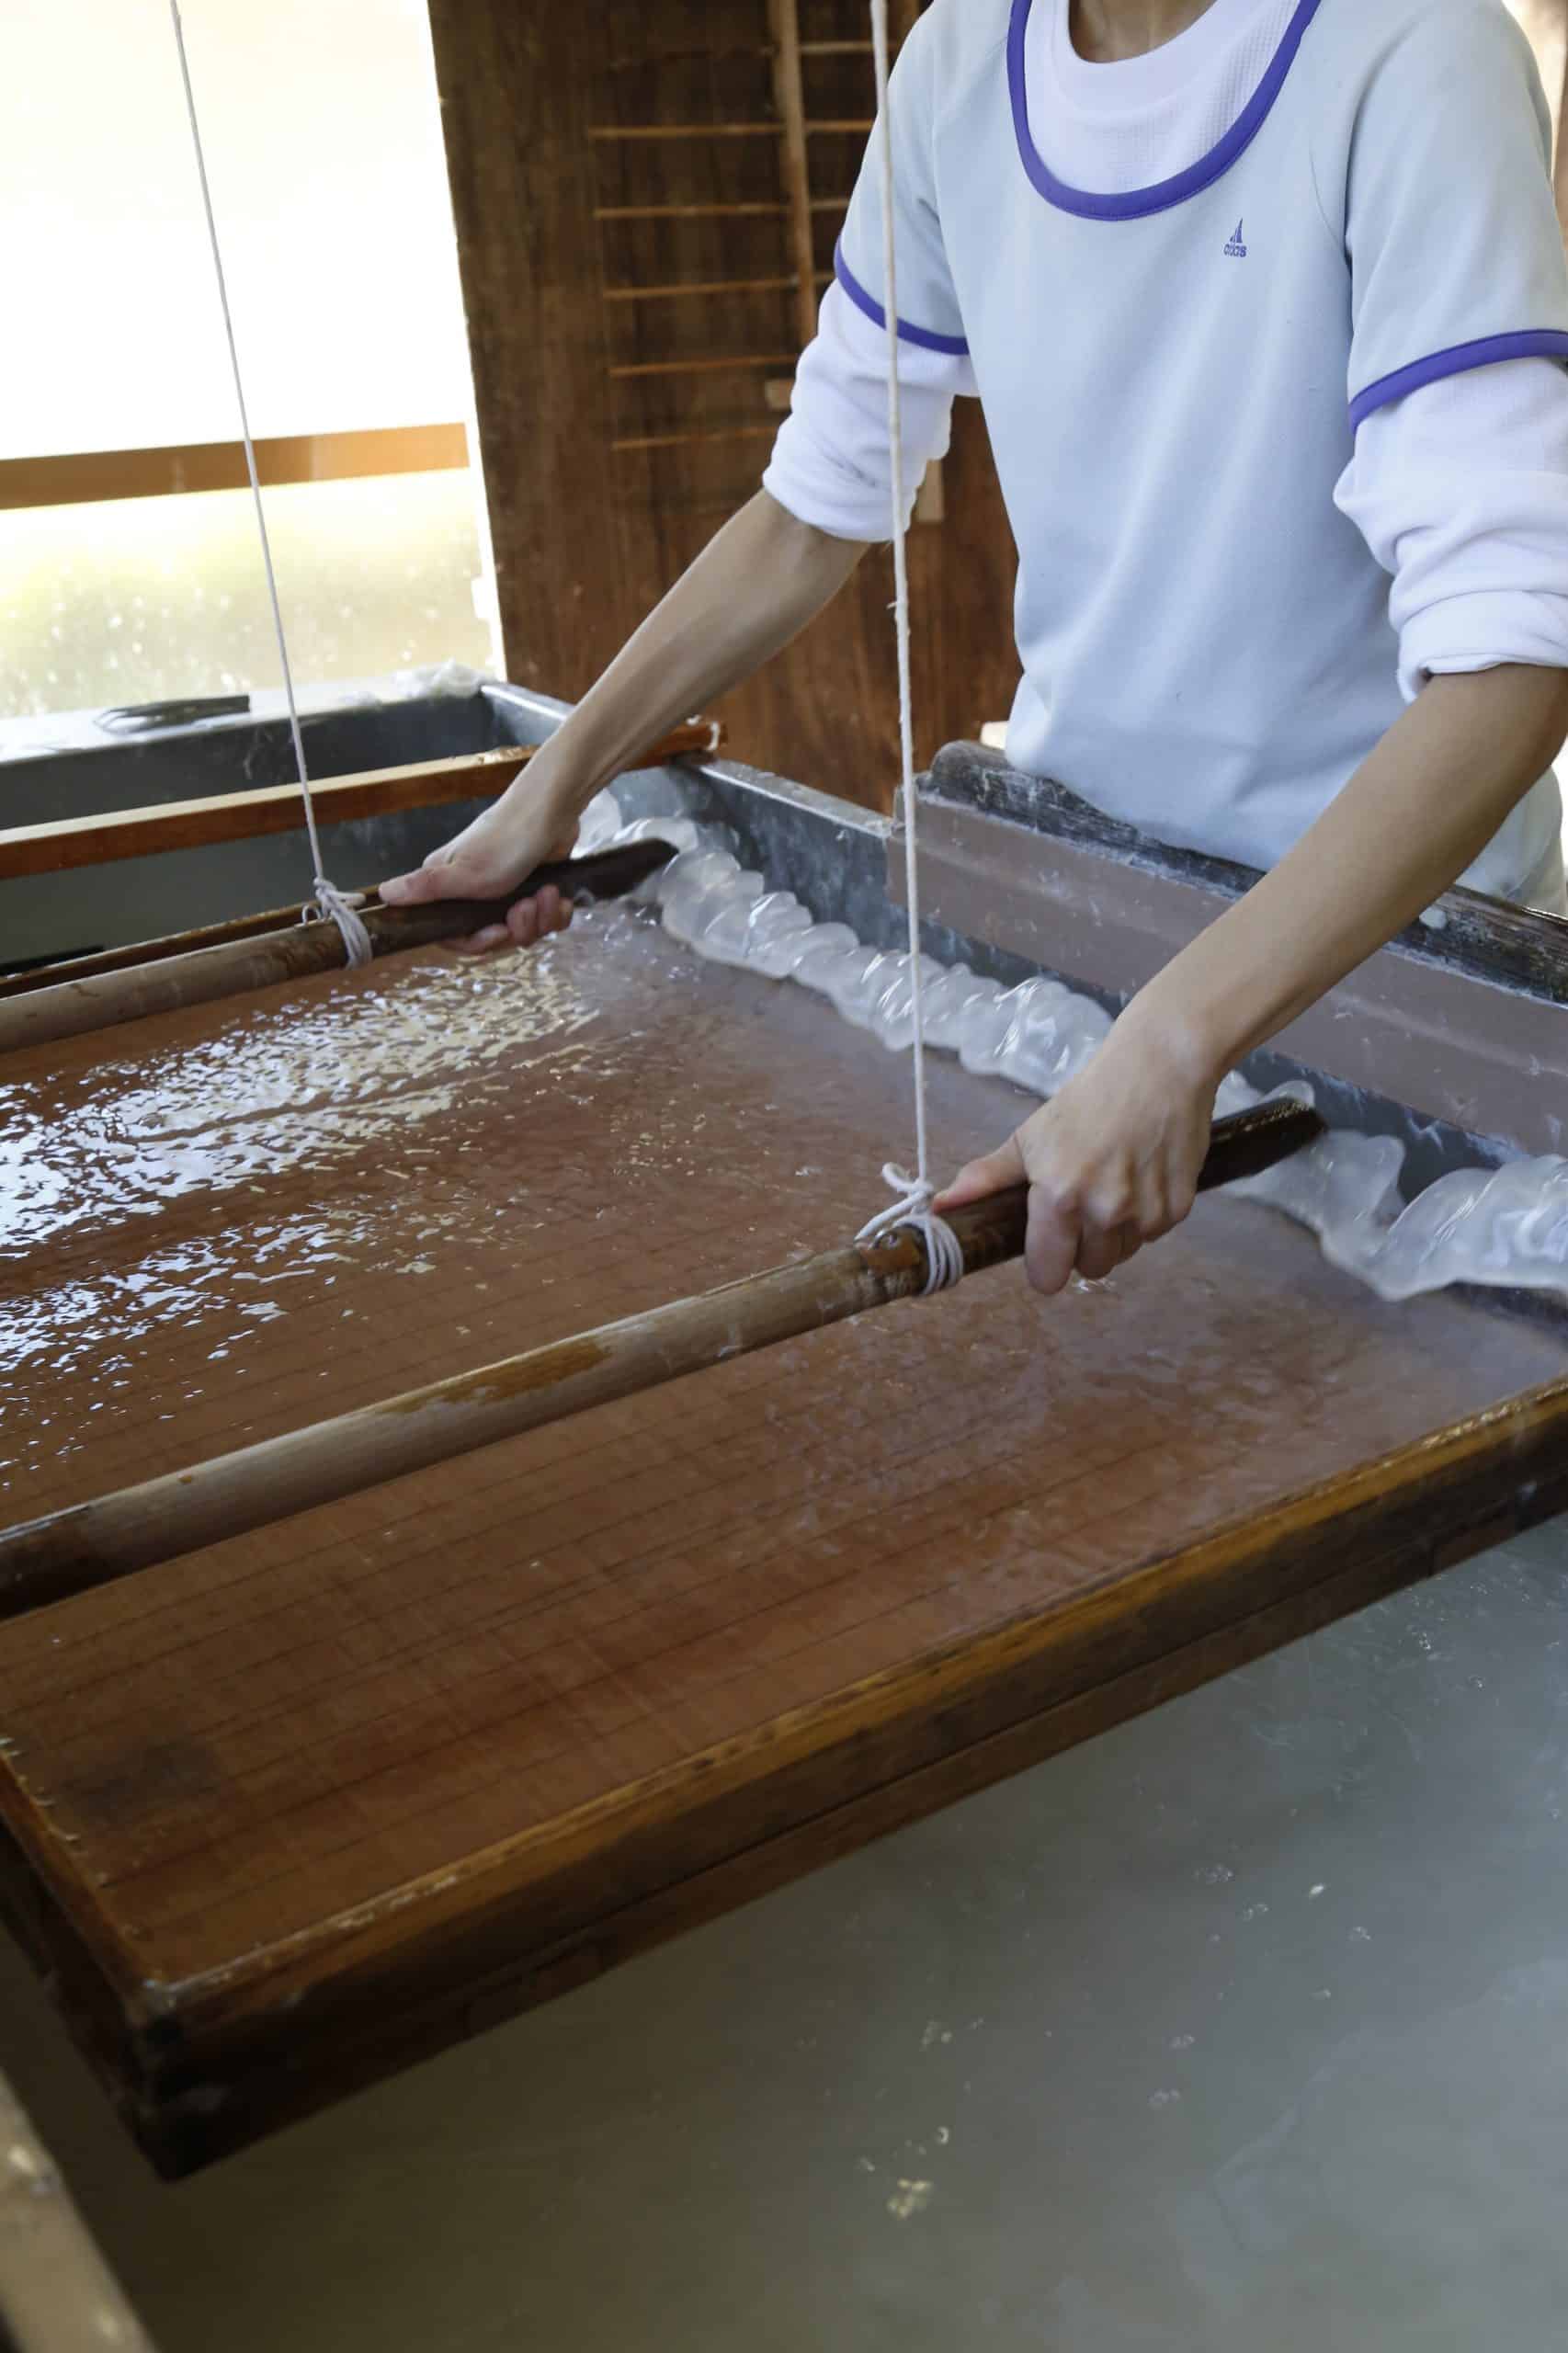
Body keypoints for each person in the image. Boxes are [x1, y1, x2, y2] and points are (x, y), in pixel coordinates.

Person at [383, 0, 1568, 1296]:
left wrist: (1179, 1042)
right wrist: (555, 786)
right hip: (1088, 916)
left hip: (1392, 960)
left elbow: (1514, 667)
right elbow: (811, 509)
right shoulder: (955, 62)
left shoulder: (1410, 48)